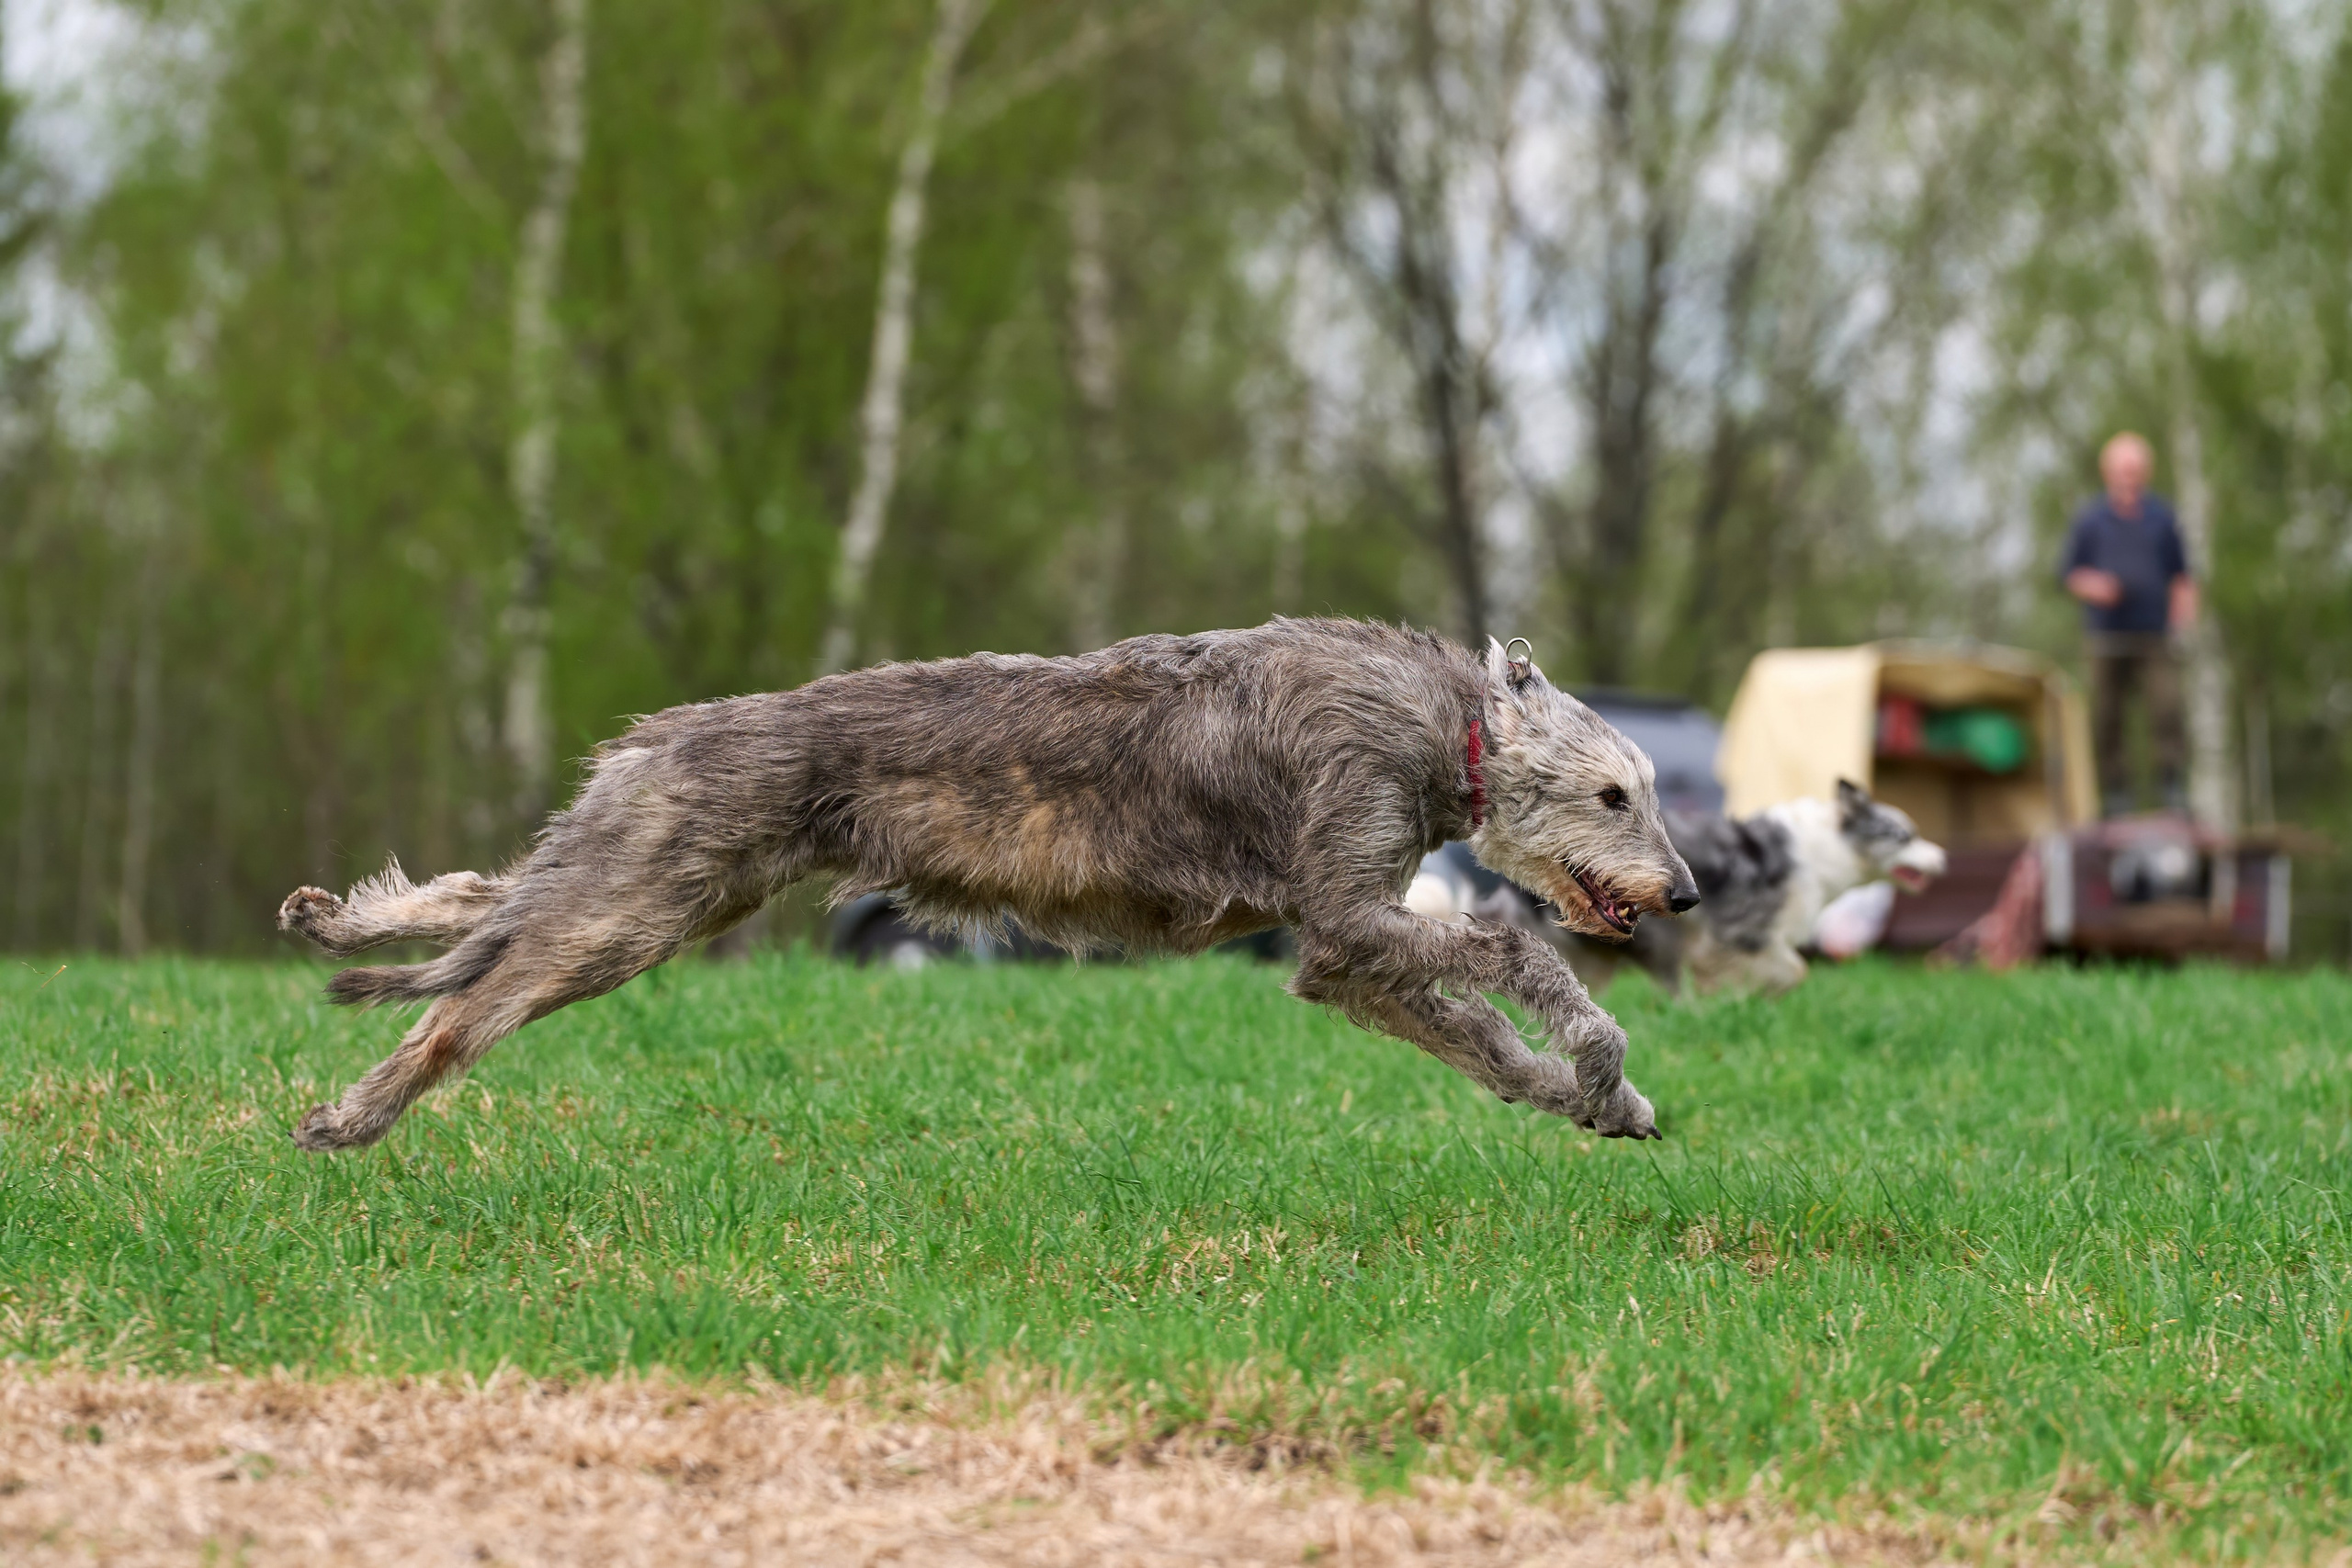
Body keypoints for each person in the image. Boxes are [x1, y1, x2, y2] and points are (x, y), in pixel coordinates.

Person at [2059, 432, 2197, 818]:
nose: (2129, 476)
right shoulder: (2091, 519)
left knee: (2167, 708)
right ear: (2108, 472)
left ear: (2146, 472)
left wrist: (2183, 623)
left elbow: (2182, 576)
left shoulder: (2163, 517)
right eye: (2123, 469)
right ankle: (2116, 794)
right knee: (2106, 716)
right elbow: (2069, 574)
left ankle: (2172, 788)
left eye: (2135, 469)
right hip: (2106, 637)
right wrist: (2095, 586)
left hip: (2156, 635)